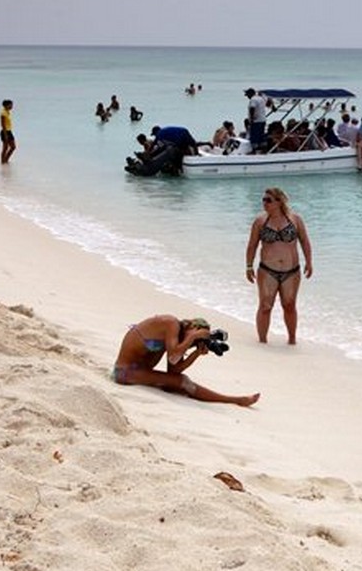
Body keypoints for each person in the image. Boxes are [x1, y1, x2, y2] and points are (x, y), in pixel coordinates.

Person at [112, 314, 259, 406]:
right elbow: (174, 357)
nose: (193, 343)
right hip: (125, 372)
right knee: (183, 382)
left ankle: (232, 399)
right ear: (192, 326)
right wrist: (193, 337)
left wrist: (196, 353)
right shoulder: (171, 324)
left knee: (176, 383)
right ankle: (233, 400)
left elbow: (174, 369)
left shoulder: (178, 339)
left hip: (137, 372)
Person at [245, 187, 313, 344]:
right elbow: (252, 246)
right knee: (265, 306)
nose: (264, 203)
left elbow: (305, 241)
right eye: (263, 200)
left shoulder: (295, 219)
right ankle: (262, 341)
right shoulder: (260, 221)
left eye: (268, 200)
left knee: (289, 305)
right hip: (267, 270)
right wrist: (249, 266)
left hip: (292, 271)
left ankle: (292, 340)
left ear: (279, 201)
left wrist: (309, 261)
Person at [245, 88, 268, 152]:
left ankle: (254, 150)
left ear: (251, 94)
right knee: (261, 135)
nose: (248, 97)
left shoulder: (253, 99)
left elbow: (252, 108)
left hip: (256, 121)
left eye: (248, 95)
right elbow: (268, 101)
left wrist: (251, 119)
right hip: (262, 120)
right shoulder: (261, 98)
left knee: (254, 136)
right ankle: (263, 149)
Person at [0, 99, 16, 164]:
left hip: (9, 131)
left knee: (13, 147)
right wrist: (5, 134)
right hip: (5, 132)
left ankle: (5, 159)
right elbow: (2, 124)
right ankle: (3, 161)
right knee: (5, 147)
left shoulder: (7, 112)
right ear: (6, 105)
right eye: (10, 105)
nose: (12, 106)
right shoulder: (3, 113)